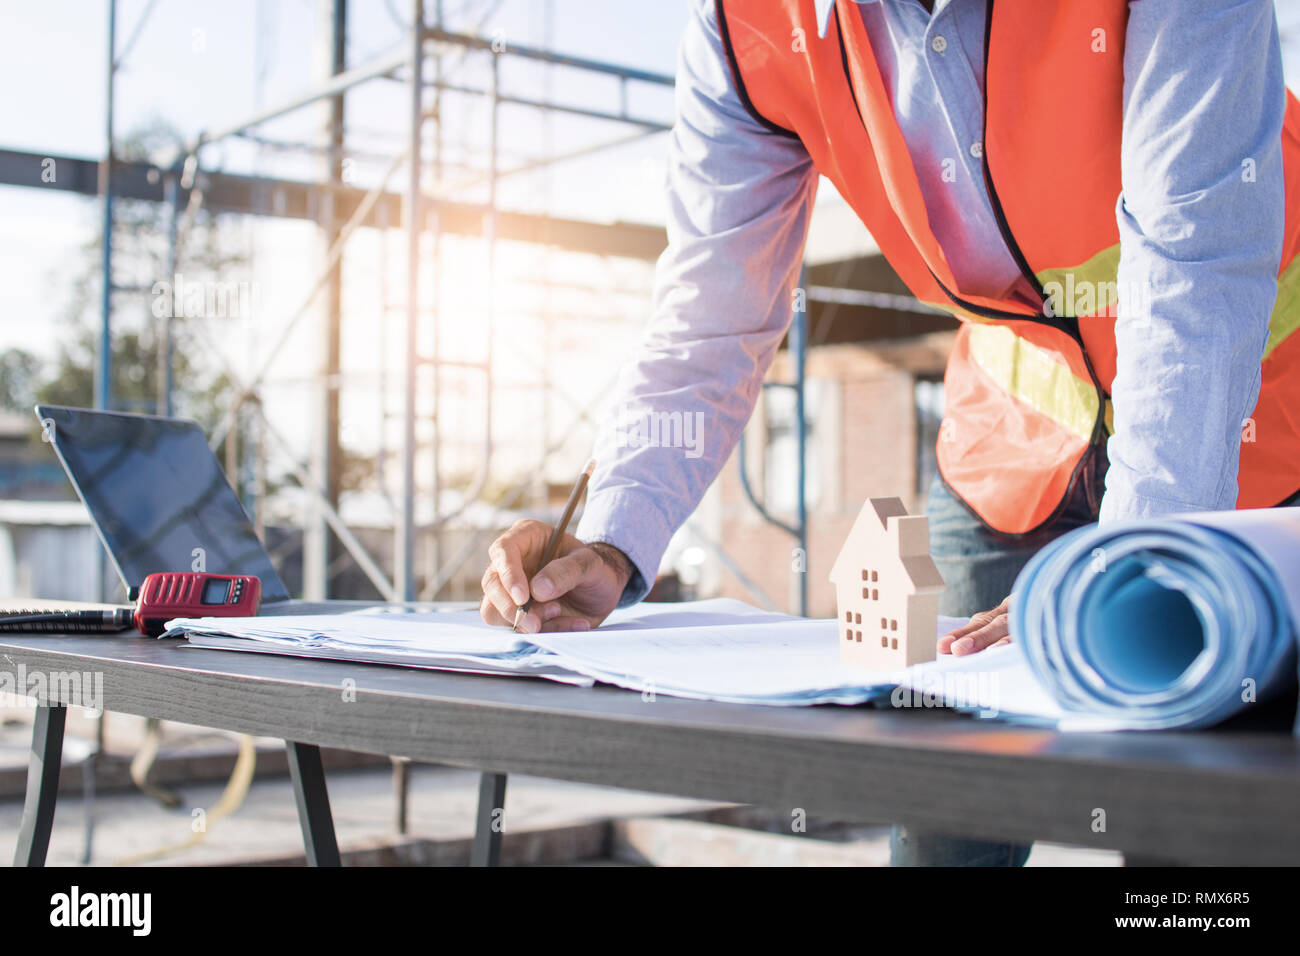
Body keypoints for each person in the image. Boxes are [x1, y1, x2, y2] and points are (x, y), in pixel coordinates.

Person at [481, 0, 1300, 865]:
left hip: (1250, 428)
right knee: (947, 810)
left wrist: (1126, 570)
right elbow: (708, 319)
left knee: (1195, 827)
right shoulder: (745, 25)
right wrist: (611, 540)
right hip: (1015, 446)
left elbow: (1196, 263)